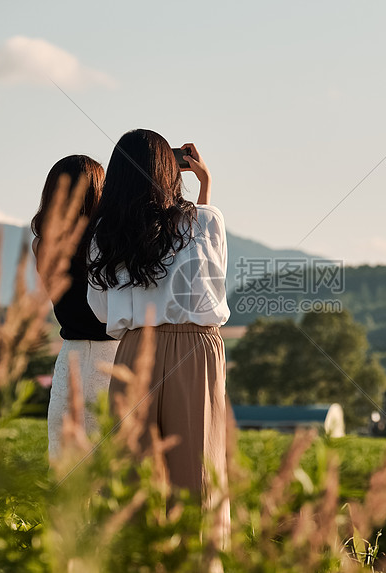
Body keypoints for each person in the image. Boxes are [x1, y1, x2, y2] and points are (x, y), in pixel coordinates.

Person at [86, 129, 230, 542]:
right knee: (198, 474)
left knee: (133, 477)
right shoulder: (205, 219)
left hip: (135, 350)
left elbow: (100, 310)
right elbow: (209, 286)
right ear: (172, 170)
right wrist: (205, 187)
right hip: (195, 347)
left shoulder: (104, 237)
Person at [30, 155, 119, 462]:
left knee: (65, 470)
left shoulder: (42, 245)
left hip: (70, 358)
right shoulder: (109, 243)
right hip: (112, 359)